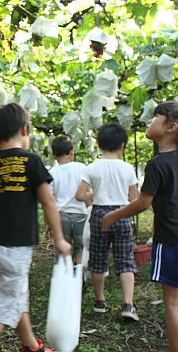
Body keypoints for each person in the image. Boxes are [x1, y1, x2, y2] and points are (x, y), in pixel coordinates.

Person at [0, 103, 71, 352]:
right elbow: (48, 201)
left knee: (16, 295)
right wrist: (60, 238)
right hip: (16, 246)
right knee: (6, 301)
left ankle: (31, 346)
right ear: (25, 129)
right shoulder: (31, 161)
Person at [102, 101, 178, 352]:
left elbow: (143, 202)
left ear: (171, 127)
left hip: (170, 239)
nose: (149, 120)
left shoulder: (158, 163)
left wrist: (113, 215)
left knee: (173, 302)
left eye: (156, 117)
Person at [75, 122, 139, 321]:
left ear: (99, 145)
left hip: (99, 214)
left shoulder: (92, 167)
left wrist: (95, 193)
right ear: (122, 145)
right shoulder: (127, 168)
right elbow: (134, 199)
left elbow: (79, 196)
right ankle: (128, 303)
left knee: (98, 257)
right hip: (122, 213)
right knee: (125, 258)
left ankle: (100, 300)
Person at [48, 135, 90, 264]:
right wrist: (91, 212)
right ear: (72, 151)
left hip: (61, 216)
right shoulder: (81, 168)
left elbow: (50, 200)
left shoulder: (52, 172)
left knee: (62, 249)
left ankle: (65, 277)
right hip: (80, 215)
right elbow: (86, 193)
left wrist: (49, 222)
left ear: (53, 155)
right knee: (80, 248)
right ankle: (79, 275)